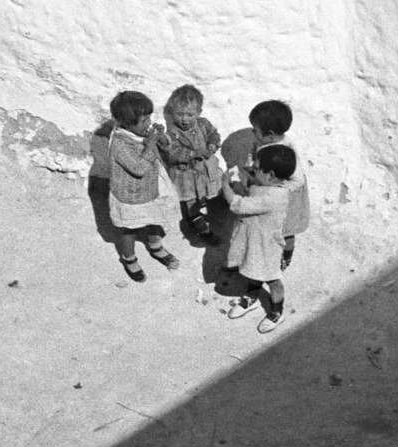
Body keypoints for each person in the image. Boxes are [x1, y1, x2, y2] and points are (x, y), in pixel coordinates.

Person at [106, 90, 181, 282]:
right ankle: (129, 258)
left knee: (154, 217)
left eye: (149, 118)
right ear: (126, 123)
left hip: (150, 188)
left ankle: (155, 246)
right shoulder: (119, 143)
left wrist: (161, 138)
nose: (148, 123)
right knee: (129, 227)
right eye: (143, 121)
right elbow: (138, 168)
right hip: (130, 195)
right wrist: (151, 144)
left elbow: (165, 149)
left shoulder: (139, 133)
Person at [221, 144, 297, 333]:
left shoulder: (275, 196)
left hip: (266, 246)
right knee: (251, 268)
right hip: (253, 239)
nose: (252, 170)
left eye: (256, 168)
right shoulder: (266, 184)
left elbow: (238, 204)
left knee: (272, 279)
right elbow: (253, 189)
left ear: (270, 175)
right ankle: (251, 296)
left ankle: (277, 311)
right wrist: (248, 176)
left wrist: (225, 185)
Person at [246, 100, 311, 271]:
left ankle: (285, 256)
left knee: (286, 230)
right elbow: (254, 154)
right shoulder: (262, 143)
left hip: (286, 199)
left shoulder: (285, 152)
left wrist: (279, 190)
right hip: (267, 190)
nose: (253, 132)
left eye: (255, 130)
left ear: (270, 134)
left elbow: (298, 180)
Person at [160, 84, 223, 246]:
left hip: (203, 171)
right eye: (180, 114)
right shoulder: (172, 133)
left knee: (205, 192)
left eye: (190, 114)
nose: (184, 119)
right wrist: (193, 154)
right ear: (173, 112)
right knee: (190, 201)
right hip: (185, 175)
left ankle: (204, 207)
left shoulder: (203, 124)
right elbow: (172, 153)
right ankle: (198, 225)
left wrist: (212, 146)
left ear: (199, 113)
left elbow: (214, 135)